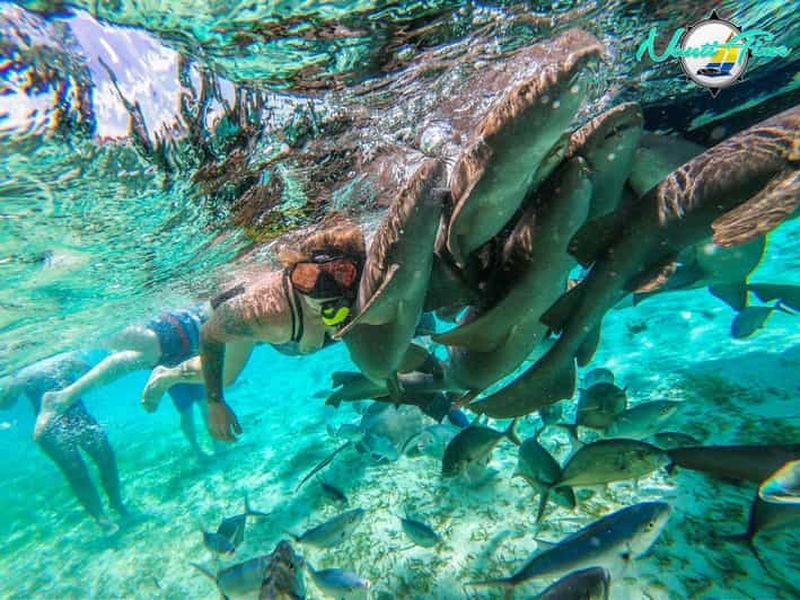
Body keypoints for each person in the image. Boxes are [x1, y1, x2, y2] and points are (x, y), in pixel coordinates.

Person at [140, 218, 366, 442]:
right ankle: (166, 376)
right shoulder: (269, 312)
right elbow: (210, 334)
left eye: (341, 273)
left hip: (285, 329)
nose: (320, 292)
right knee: (225, 377)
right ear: (293, 269)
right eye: (307, 277)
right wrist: (215, 401)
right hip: (241, 309)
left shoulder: (373, 279)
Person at [35, 305, 218, 460]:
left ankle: (63, 396)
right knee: (149, 346)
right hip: (186, 331)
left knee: (137, 358)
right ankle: (64, 330)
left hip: (186, 352)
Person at [0, 352, 126, 532]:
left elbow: (91, 373)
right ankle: (100, 517)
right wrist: (14, 384)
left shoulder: (60, 354)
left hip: (79, 415)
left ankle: (116, 502)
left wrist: (77, 363)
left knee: (107, 457)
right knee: (76, 470)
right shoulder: (18, 367)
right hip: (50, 425)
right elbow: (6, 405)